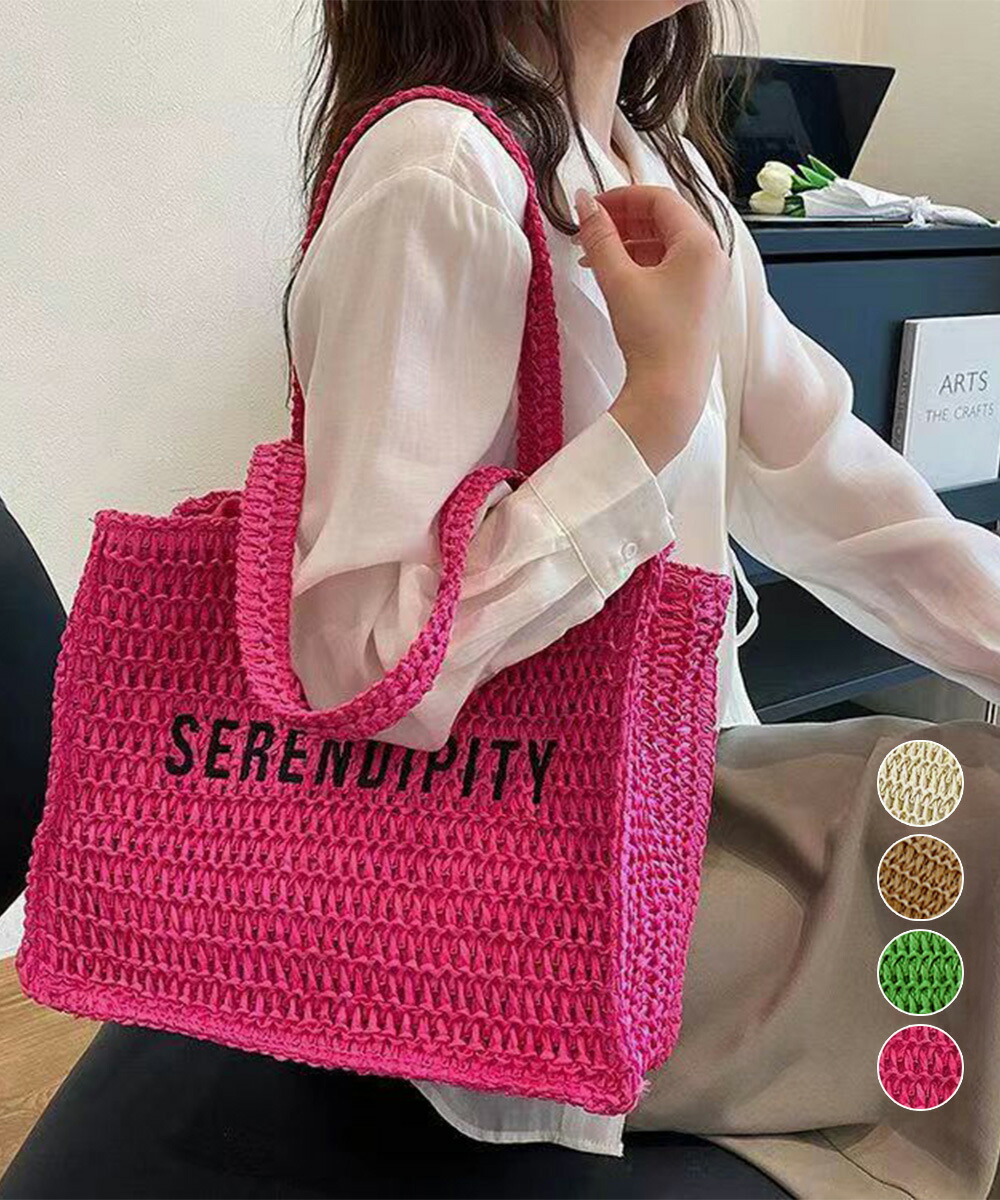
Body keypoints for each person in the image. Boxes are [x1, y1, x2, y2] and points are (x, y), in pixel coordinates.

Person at [285, 2, 1000, 1196]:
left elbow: (836, 487)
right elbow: (362, 668)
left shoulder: (662, 170)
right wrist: (649, 415)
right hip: (500, 898)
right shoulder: (439, 170)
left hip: (676, 802)